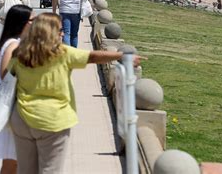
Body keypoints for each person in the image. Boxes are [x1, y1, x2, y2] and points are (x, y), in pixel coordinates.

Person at [8, 13, 143, 174]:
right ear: (50, 32)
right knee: (50, 169)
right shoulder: (61, 53)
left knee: (25, 170)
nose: (63, 34)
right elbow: (92, 57)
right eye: (59, 31)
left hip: (22, 118)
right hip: (53, 120)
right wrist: (121, 56)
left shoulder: (20, 53)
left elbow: (9, 74)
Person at [0, 5, 33, 174]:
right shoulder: (13, 45)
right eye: (31, 20)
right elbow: (5, 72)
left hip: (10, 106)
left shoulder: (13, 43)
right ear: (22, 23)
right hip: (8, 106)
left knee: (13, 160)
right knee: (11, 160)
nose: (34, 24)